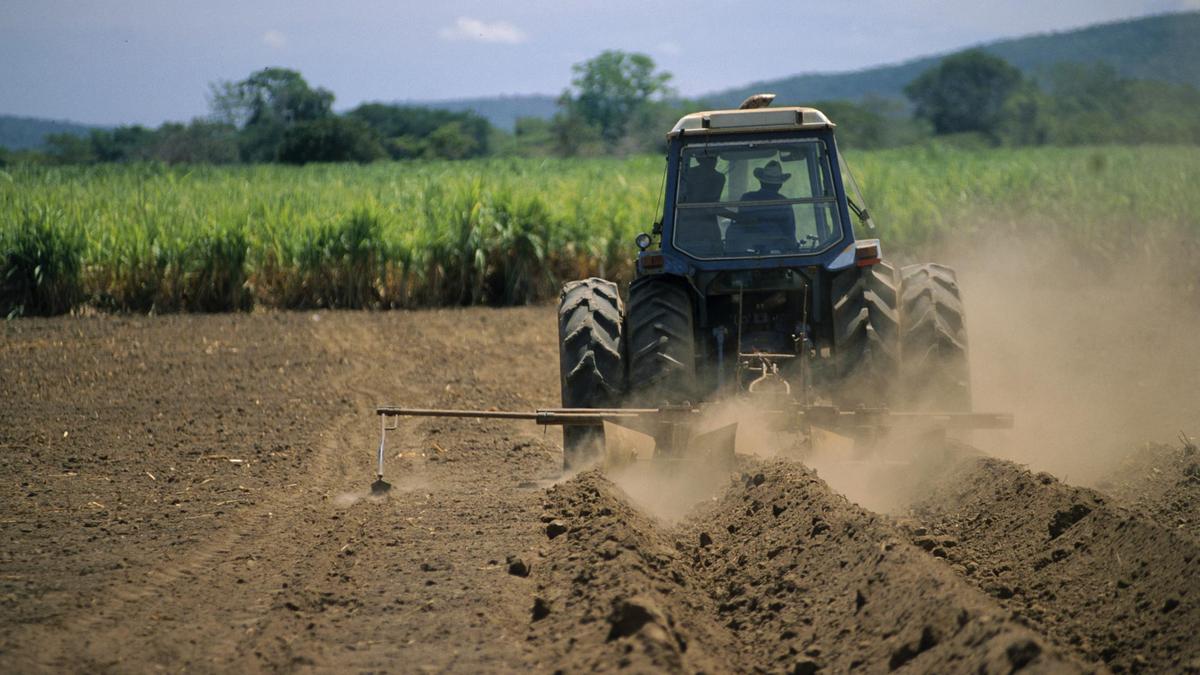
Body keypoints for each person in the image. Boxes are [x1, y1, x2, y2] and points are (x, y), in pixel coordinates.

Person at [726, 160, 796, 252]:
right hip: (776, 253)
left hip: (746, 251)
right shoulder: (784, 202)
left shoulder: (747, 198)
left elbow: (742, 222)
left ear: (761, 182)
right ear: (780, 185)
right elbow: (789, 232)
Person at [675, 154, 726, 255]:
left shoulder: (718, 178)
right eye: (708, 158)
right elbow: (711, 207)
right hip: (687, 230)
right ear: (699, 159)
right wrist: (740, 217)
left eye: (714, 158)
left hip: (709, 230)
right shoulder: (686, 176)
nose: (712, 161)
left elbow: (712, 205)